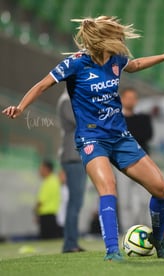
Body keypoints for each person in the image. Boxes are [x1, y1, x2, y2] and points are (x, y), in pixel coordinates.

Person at [3, 16, 164, 261]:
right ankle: (112, 251)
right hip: (92, 139)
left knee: (162, 189)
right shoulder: (76, 63)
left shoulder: (117, 60)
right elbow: (43, 85)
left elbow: (136, 64)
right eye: (117, 36)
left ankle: (159, 241)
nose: (121, 40)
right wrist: (21, 107)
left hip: (121, 138)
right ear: (103, 40)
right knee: (108, 188)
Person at [116, 87, 153, 231]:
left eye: (133, 98)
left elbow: (147, 135)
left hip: (142, 162)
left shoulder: (144, 118)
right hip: (122, 163)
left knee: (144, 199)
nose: (131, 100)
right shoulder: (116, 119)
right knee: (125, 201)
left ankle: (146, 228)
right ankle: (128, 230)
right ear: (122, 99)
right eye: (128, 97)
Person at [57, 90, 88, 253]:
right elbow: (80, 120)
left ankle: (72, 242)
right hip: (73, 156)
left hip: (77, 156)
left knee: (76, 202)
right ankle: (70, 243)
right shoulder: (67, 99)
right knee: (74, 203)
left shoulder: (71, 97)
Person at [34, 160, 62, 239]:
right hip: (52, 215)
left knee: (46, 239)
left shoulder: (48, 182)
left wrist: (35, 212)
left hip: (46, 216)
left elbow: (40, 201)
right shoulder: (55, 180)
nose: (39, 171)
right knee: (52, 239)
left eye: (41, 168)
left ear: (46, 169)